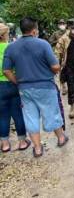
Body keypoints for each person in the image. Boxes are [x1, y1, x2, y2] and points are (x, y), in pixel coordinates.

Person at [3, 17, 68, 158]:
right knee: (52, 113)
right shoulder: (43, 44)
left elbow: (6, 71)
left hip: (24, 89)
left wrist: (17, 82)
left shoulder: (11, 47)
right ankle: (61, 138)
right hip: (45, 86)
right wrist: (54, 70)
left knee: (30, 117)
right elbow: (56, 66)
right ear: (34, 31)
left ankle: (37, 149)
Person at [0, 23, 31, 153]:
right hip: (12, 84)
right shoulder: (11, 47)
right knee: (18, 113)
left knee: (2, 116)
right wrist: (17, 82)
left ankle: (5, 144)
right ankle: (22, 142)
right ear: (4, 34)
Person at [49, 19, 68, 95]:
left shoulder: (68, 33)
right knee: (61, 71)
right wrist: (58, 41)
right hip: (59, 54)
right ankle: (63, 87)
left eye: (63, 23)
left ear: (66, 24)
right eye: (60, 23)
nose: (62, 24)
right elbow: (50, 42)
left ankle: (69, 86)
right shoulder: (55, 33)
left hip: (69, 54)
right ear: (58, 25)